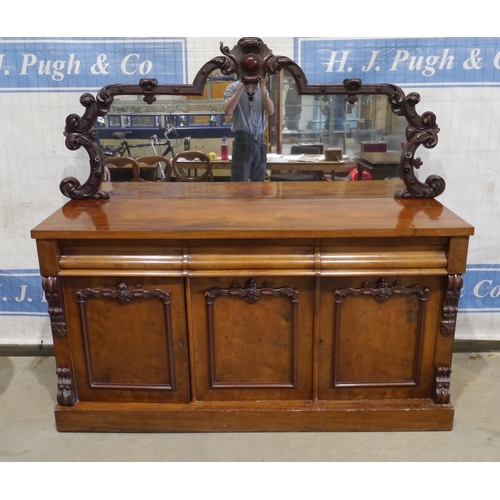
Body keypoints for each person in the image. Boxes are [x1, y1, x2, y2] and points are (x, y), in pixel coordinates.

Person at [223, 77, 274, 182]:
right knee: (240, 181)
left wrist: (263, 88)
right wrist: (241, 88)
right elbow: (228, 110)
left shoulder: (262, 89)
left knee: (259, 182)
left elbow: (270, 111)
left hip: (260, 140)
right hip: (242, 140)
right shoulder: (232, 88)